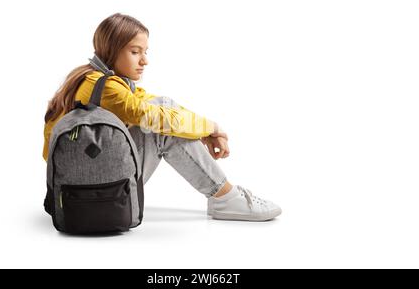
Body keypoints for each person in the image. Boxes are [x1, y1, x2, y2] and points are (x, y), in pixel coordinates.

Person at [43, 12, 281, 221]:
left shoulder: (90, 78)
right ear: (111, 50)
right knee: (160, 128)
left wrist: (209, 130)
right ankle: (225, 196)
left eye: (145, 52)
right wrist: (213, 127)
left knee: (162, 107)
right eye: (135, 52)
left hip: (77, 190)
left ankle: (225, 196)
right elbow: (155, 118)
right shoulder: (107, 88)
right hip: (97, 191)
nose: (144, 61)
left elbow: (156, 105)